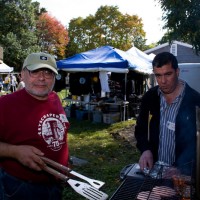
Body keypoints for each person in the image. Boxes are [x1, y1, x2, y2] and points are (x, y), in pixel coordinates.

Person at [0, 52, 70, 200]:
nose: (42, 78)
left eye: (48, 72)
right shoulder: (5, 105)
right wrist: (15, 152)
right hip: (20, 187)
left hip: (55, 184)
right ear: (22, 75)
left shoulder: (54, 98)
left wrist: (65, 160)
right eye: (35, 71)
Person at [135, 52, 200, 173]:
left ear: (177, 72)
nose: (163, 81)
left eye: (168, 74)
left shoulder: (195, 101)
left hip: (184, 175)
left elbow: (197, 145)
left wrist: (181, 168)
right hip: (155, 170)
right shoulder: (150, 97)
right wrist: (145, 149)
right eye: (158, 75)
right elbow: (141, 128)